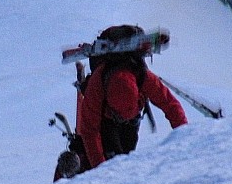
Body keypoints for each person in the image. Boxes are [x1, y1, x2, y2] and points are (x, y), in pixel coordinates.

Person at [78, 25, 187, 169]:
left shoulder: (143, 77)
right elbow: (89, 131)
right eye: (119, 114)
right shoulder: (97, 84)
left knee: (126, 156)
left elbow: (171, 105)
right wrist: (100, 169)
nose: (122, 117)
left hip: (132, 121)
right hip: (106, 122)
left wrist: (186, 139)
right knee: (113, 160)